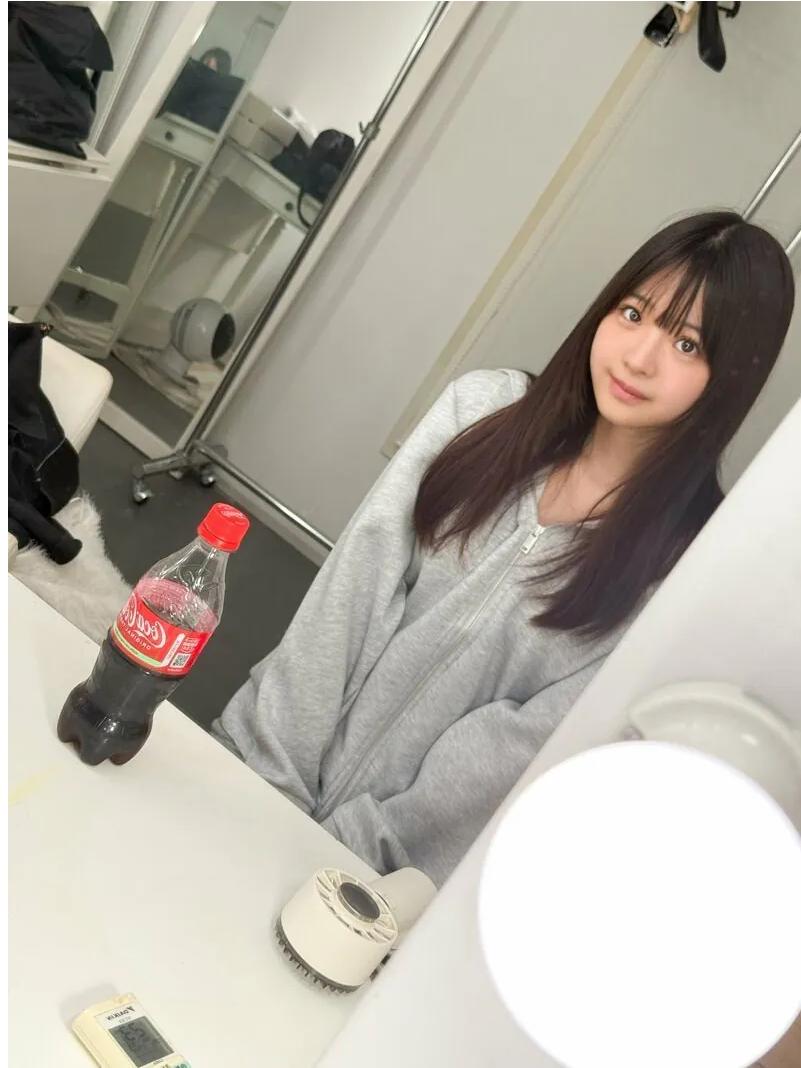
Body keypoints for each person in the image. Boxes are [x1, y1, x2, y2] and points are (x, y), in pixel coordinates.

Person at [212, 212, 794, 885]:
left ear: (730, 380)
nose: (639, 357)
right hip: (252, 765)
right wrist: (268, 779)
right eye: (633, 313)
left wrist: (340, 857)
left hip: (370, 879)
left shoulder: (673, 574)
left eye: (686, 344)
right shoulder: (483, 410)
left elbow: (514, 751)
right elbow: (351, 589)